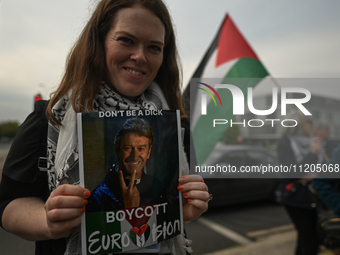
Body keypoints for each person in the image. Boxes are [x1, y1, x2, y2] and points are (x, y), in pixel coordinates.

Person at [0, 1, 210, 254]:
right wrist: (47, 221)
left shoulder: (176, 126)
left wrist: (184, 210)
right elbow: (8, 203)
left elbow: (174, 215)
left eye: (154, 47)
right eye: (126, 40)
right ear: (99, 43)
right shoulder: (50, 118)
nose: (140, 56)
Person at [86, 117, 165, 212]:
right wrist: (128, 209)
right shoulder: (99, 196)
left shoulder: (159, 188)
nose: (135, 156)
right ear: (117, 150)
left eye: (141, 149)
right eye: (128, 148)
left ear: (148, 152)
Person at [277, 110, 322, 255]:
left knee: (306, 236)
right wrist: (312, 154)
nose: (312, 125)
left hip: (312, 195)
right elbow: (292, 173)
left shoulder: (312, 141)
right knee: (310, 239)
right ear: (298, 125)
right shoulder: (285, 143)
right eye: (308, 122)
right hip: (295, 198)